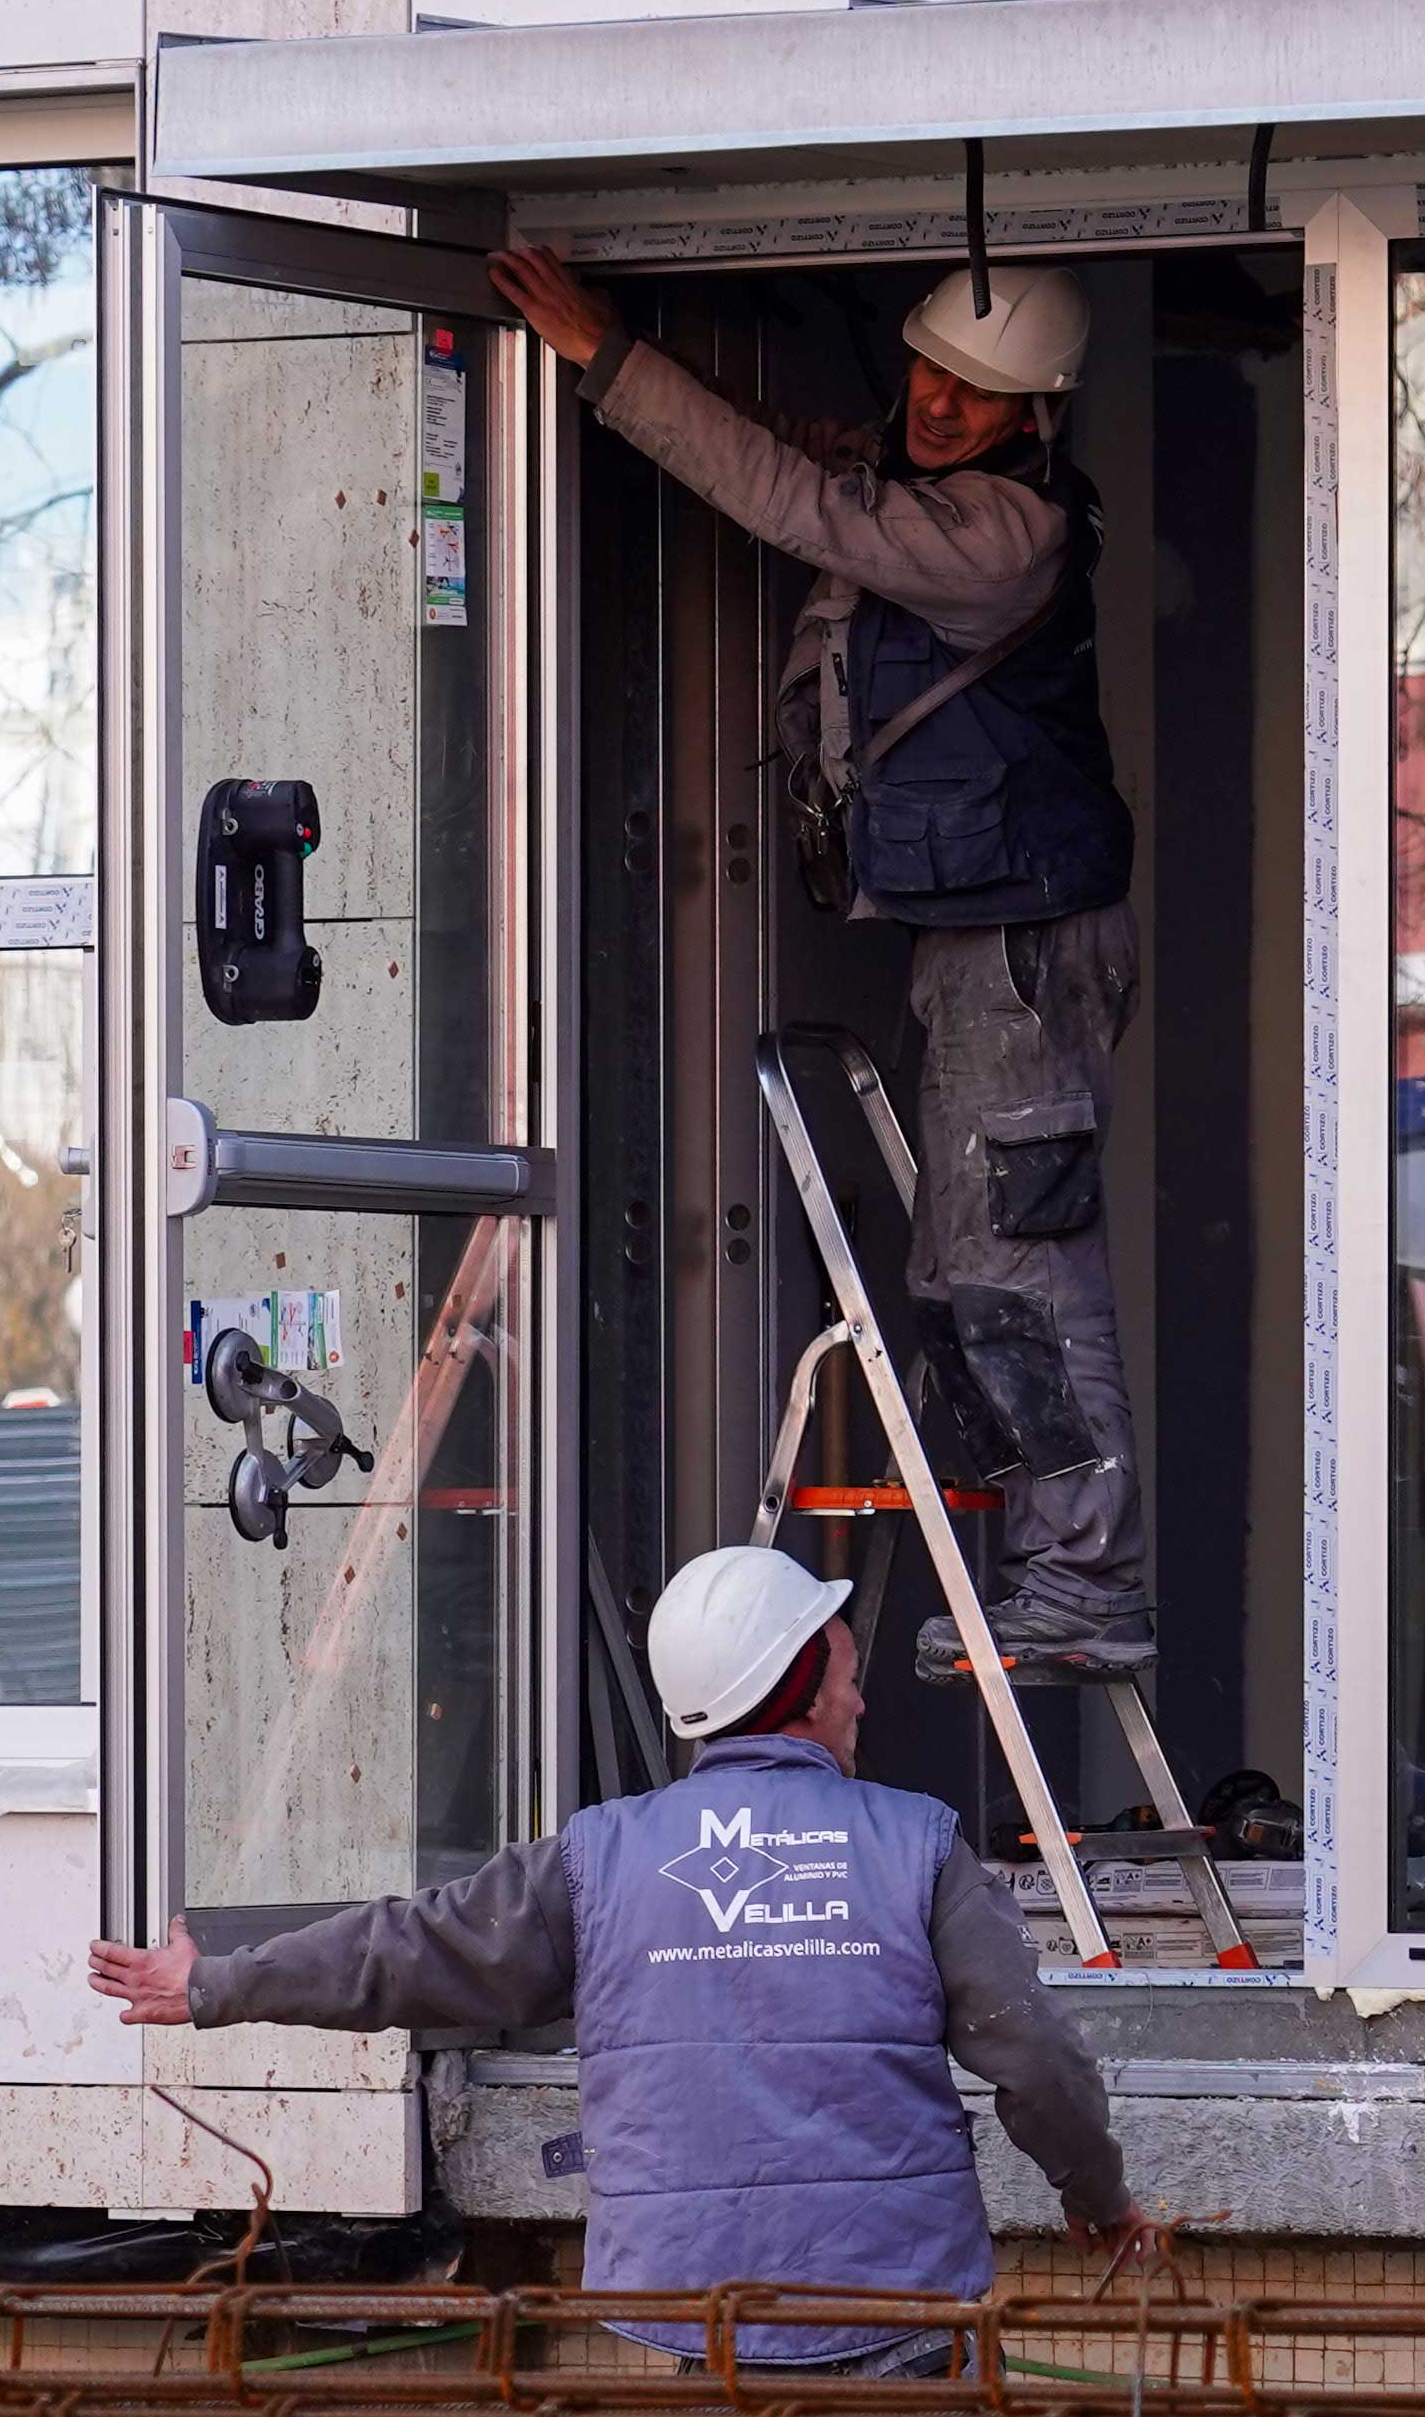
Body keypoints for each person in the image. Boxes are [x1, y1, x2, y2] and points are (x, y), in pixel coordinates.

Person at [90, 1541, 1150, 2417]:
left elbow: (407, 1950)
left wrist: (218, 1983)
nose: (861, 1702)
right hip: (914, 2328)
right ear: (794, 1694)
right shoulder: (916, 1844)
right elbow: (1037, 2058)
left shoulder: (600, 1863)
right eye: (846, 1675)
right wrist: (1097, 2193)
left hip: (718, 2342)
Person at [484, 238, 1154, 1683]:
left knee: (1023, 1264)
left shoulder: (1001, 538)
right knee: (988, 1254)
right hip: (996, 937)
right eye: (928, 368)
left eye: (974, 394)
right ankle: (1064, 1563)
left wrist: (610, 362)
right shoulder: (950, 486)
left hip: (1022, 946)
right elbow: (811, 452)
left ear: (1032, 416)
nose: (934, 402)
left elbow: (795, 502)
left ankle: (1086, 1582)